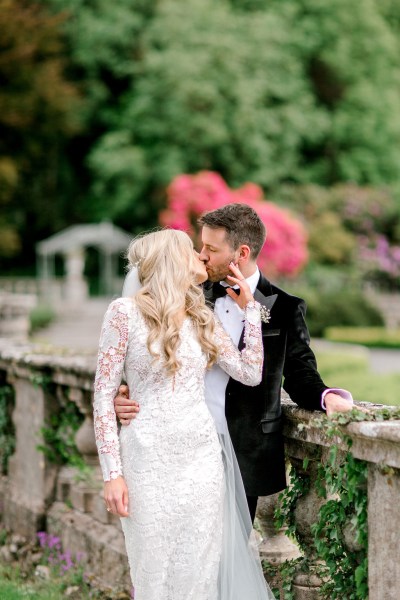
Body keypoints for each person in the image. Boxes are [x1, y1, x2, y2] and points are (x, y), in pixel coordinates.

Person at [114, 203, 354, 523]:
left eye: (211, 248)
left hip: (246, 450)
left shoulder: (284, 307)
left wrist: (328, 397)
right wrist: (125, 390)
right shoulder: (188, 292)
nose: (201, 255)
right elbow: (145, 347)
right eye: (201, 246)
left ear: (240, 253)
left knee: (231, 550)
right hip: (182, 442)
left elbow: (299, 372)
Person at [93, 229, 274, 599]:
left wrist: (250, 312)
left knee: (198, 575)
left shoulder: (200, 317)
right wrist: (113, 474)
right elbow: (102, 396)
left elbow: (250, 373)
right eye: (193, 250)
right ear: (173, 260)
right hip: (146, 459)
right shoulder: (123, 313)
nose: (202, 256)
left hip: (201, 462)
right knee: (152, 573)